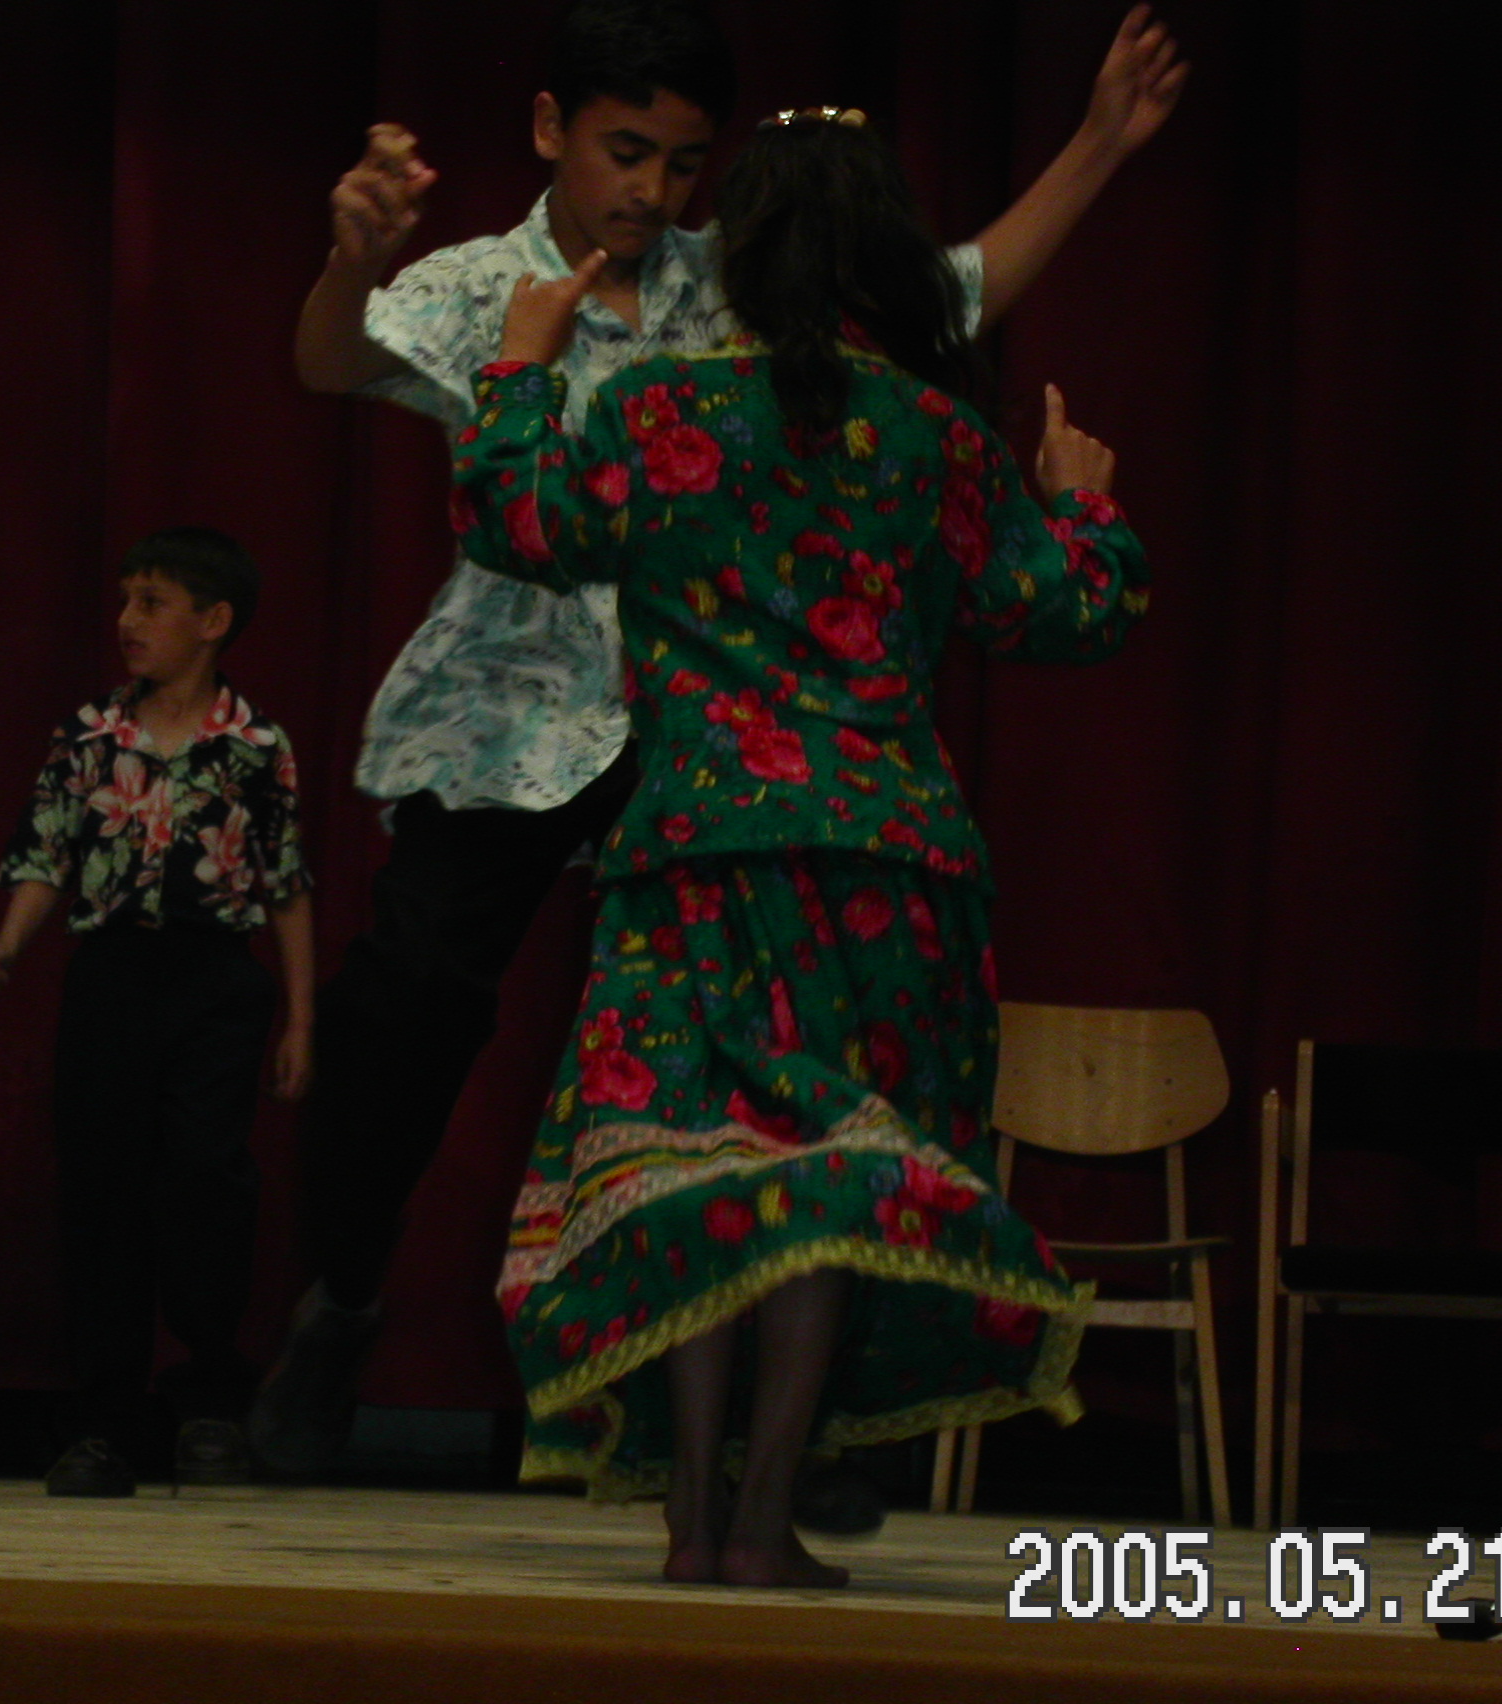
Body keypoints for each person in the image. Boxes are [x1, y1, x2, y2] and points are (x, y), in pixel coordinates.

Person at [255, 0, 1187, 1481]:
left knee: (766, 1057)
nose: (651, 191)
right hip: (512, 711)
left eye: (684, 163)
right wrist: (354, 260)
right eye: (625, 152)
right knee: (406, 1015)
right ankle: (346, 1296)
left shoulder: (743, 275)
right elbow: (327, 362)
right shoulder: (487, 284)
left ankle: (776, 1427)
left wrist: (1096, 144)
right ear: (551, 128)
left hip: (711, 728)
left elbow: (944, 291)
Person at [445, 105, 1148, 1585]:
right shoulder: (934, 437)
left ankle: (695, 1522)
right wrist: (1083, 510)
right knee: (827, 1182)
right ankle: (765, 1515)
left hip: (698, 858)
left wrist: (520, 366)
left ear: (741, 253)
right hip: (888, 871)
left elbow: (521, 520)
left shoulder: (662, 410)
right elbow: (1067, 614)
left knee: (694, 1172)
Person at [0, 527, 314, 1497]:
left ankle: (207, 1400)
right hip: (112, 979)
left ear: (213, 622)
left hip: (216, 982)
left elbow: (285, 883)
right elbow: (46, 852)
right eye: (125, 599)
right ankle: (107, 1419)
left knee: (206, 1181)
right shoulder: (89, 735)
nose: (127, 620)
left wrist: (300, 1021)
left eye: (152, 603)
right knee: (103, 1190)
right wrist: (8, 943)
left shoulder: (257, 747)